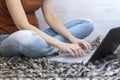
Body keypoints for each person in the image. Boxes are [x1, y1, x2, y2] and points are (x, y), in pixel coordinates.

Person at [0, 0, 94, 58]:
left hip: (36, 35)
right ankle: (49, 46)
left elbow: (51, 17)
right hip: (10, 38)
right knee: (27, 38)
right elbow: (22, 25)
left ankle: (41, 47)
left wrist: (72, 38)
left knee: (86, 24)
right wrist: (61, 45)